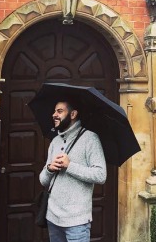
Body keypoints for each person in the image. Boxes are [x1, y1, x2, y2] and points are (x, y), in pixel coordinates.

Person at [39, 100, 106, 242]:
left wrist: (70, 166)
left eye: (59, 111)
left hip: (76, 222)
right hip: (52, 217)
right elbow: (43, 180)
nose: (54, 115)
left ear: (73, 114)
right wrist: (49, 169)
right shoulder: (55, 141)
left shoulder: (90, 139)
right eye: (54, 111)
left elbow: (101, 175)